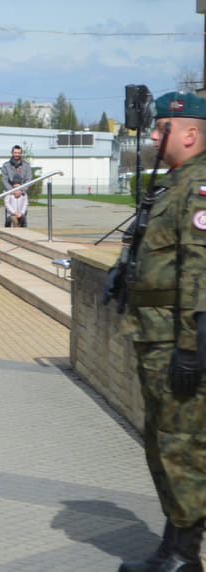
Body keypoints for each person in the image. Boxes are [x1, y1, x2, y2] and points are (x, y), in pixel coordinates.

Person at [103, 91, 206, 572]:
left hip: (175, 342)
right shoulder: (171, 184)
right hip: (153, 336)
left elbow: (198, 272)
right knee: (161, 440)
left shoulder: (200, 186)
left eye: (162, 127)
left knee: (180, 444)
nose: (154, 134)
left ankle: (185, 555)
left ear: (189, 133)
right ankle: (172, 543)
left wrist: (191, 348)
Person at [1, 145, 31, 227]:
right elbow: (4, 179)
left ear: (21, 153)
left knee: (23, 217)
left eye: (18, 153)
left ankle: (24, 234)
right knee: (9, 218)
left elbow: (28, 179)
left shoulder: (26, 165)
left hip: (22, 193)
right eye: (15, 152)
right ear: (12, 153)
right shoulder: (6, 165)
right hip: (10, 193)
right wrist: (12, 190)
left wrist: (22, 191)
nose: (17, 154)